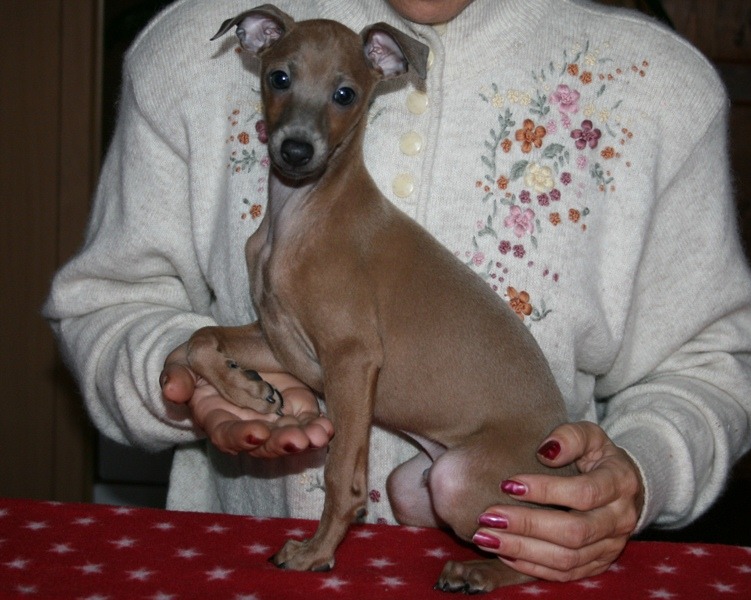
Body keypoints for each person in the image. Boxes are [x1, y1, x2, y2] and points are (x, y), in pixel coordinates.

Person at [44, 0, 751, 584]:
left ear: (383, 70)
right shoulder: (184, 46)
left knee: (443, 487)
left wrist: (640, 469)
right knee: (422, 486)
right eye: (282, 80)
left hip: (492, 467)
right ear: (255, 47)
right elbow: (133, 309)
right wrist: (183, 359)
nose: (303, 124)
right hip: (237, 562)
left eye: (341, 97)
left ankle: (366, 531)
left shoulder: (662, 86)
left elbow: (712, 364)